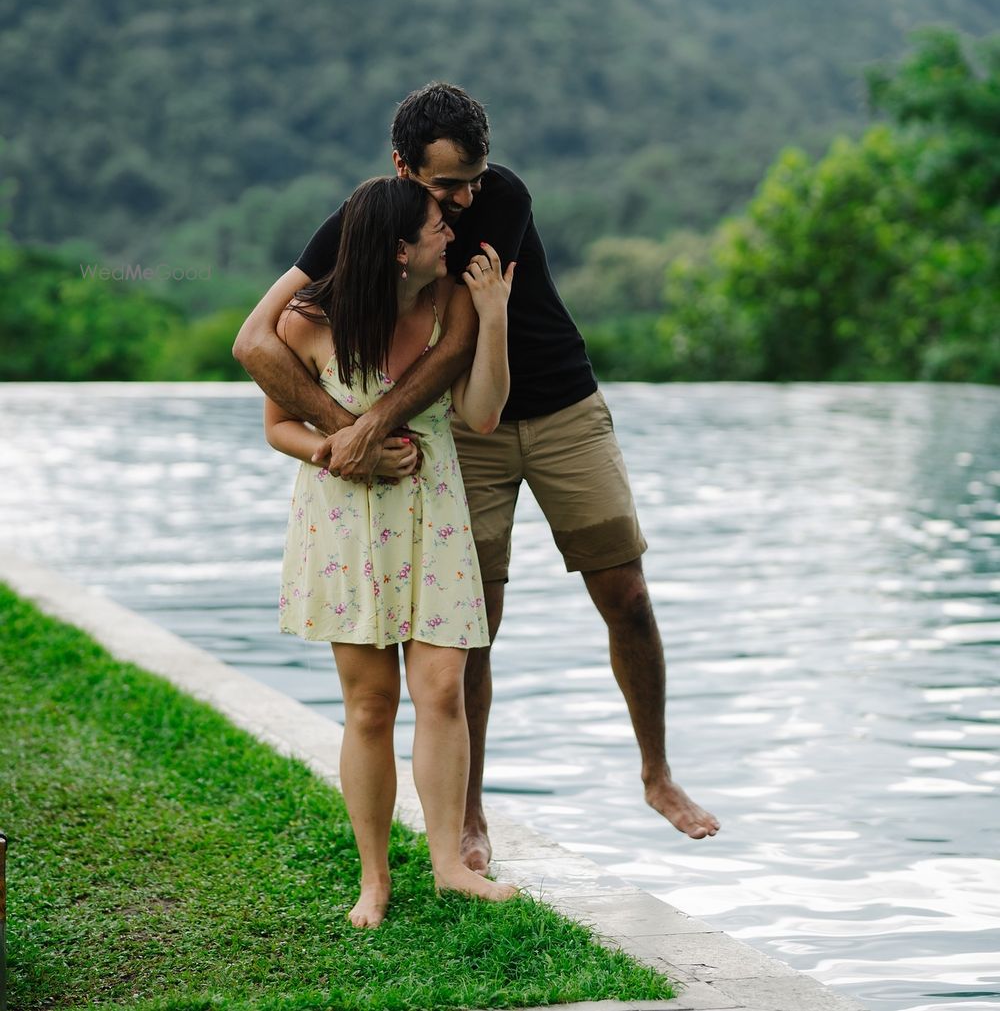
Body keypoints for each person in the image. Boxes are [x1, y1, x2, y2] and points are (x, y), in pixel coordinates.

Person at [234, 83, 719, 877]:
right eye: (445, 185)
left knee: (626, 589)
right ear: (402, 168)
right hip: (461, 428)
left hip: (556, 399)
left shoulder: (501, 199)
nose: (463, 199)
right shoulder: (373, 219)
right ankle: (469, 815)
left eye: (474, 176)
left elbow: (456, 341)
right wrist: (341, 431)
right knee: (468, 624)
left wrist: (364, 428)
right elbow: (257, 340)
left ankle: (656, 774)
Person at [262, 174, 517, 926]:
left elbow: (479, 414)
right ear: (401, 248)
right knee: (370, 704)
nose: (454, 235)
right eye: (441, 225)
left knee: (441, 689)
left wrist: (496, 319)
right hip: (347, 517)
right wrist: (342, 449)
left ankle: (448, 866)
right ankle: (374, 879)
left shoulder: (456, 304)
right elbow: (279, 426)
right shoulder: (310, 321)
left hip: (433, 510)